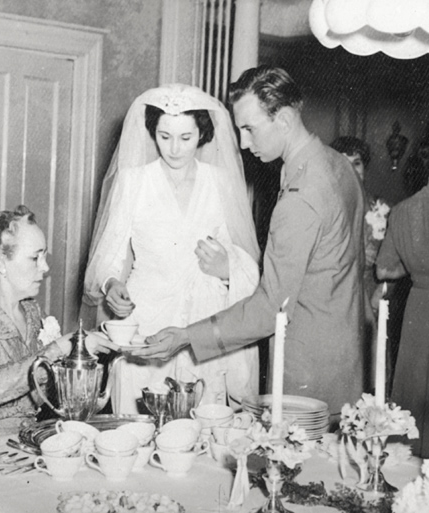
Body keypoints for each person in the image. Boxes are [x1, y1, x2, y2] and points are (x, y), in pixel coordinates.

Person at [134, 66, 367, 418]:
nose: (243, 143)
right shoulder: (338, 165)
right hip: (346, 360)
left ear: (285, 119)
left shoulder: (300, 199)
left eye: (249, 129)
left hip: (305, 372)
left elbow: (269, 309)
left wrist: (186, 335)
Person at [82, 84, 261, 414]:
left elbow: (246, 258)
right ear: (153, 132)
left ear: (202, 134)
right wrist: (111, 284)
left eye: (185, 138)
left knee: (201, 424)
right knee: (139, 422)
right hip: (146, 316)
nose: (174, 149)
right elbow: (109, 255)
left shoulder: (220, 182)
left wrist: (226, 267)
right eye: (165, 137)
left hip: (203, 320)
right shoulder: (133, 181)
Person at [0, 206, 116, 449]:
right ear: (1, 263)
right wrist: (61, 347)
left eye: (44, 256)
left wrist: (82, 352)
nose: (45, 268)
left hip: (25, 441)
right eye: (35, 257)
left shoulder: (31, 312)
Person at [330, 136, 390, 389]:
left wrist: (379, 295)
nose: (352, 170)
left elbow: (393, 262)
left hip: (368, 299)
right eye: (344, 164)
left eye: (357, 163)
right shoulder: (326, 205)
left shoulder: (381, 209)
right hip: (332, 299)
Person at [376, 183, 429, 457]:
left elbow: (384, 269)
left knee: (413, 397)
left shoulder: (403, 209)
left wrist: (416, 269)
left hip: (419, 309)